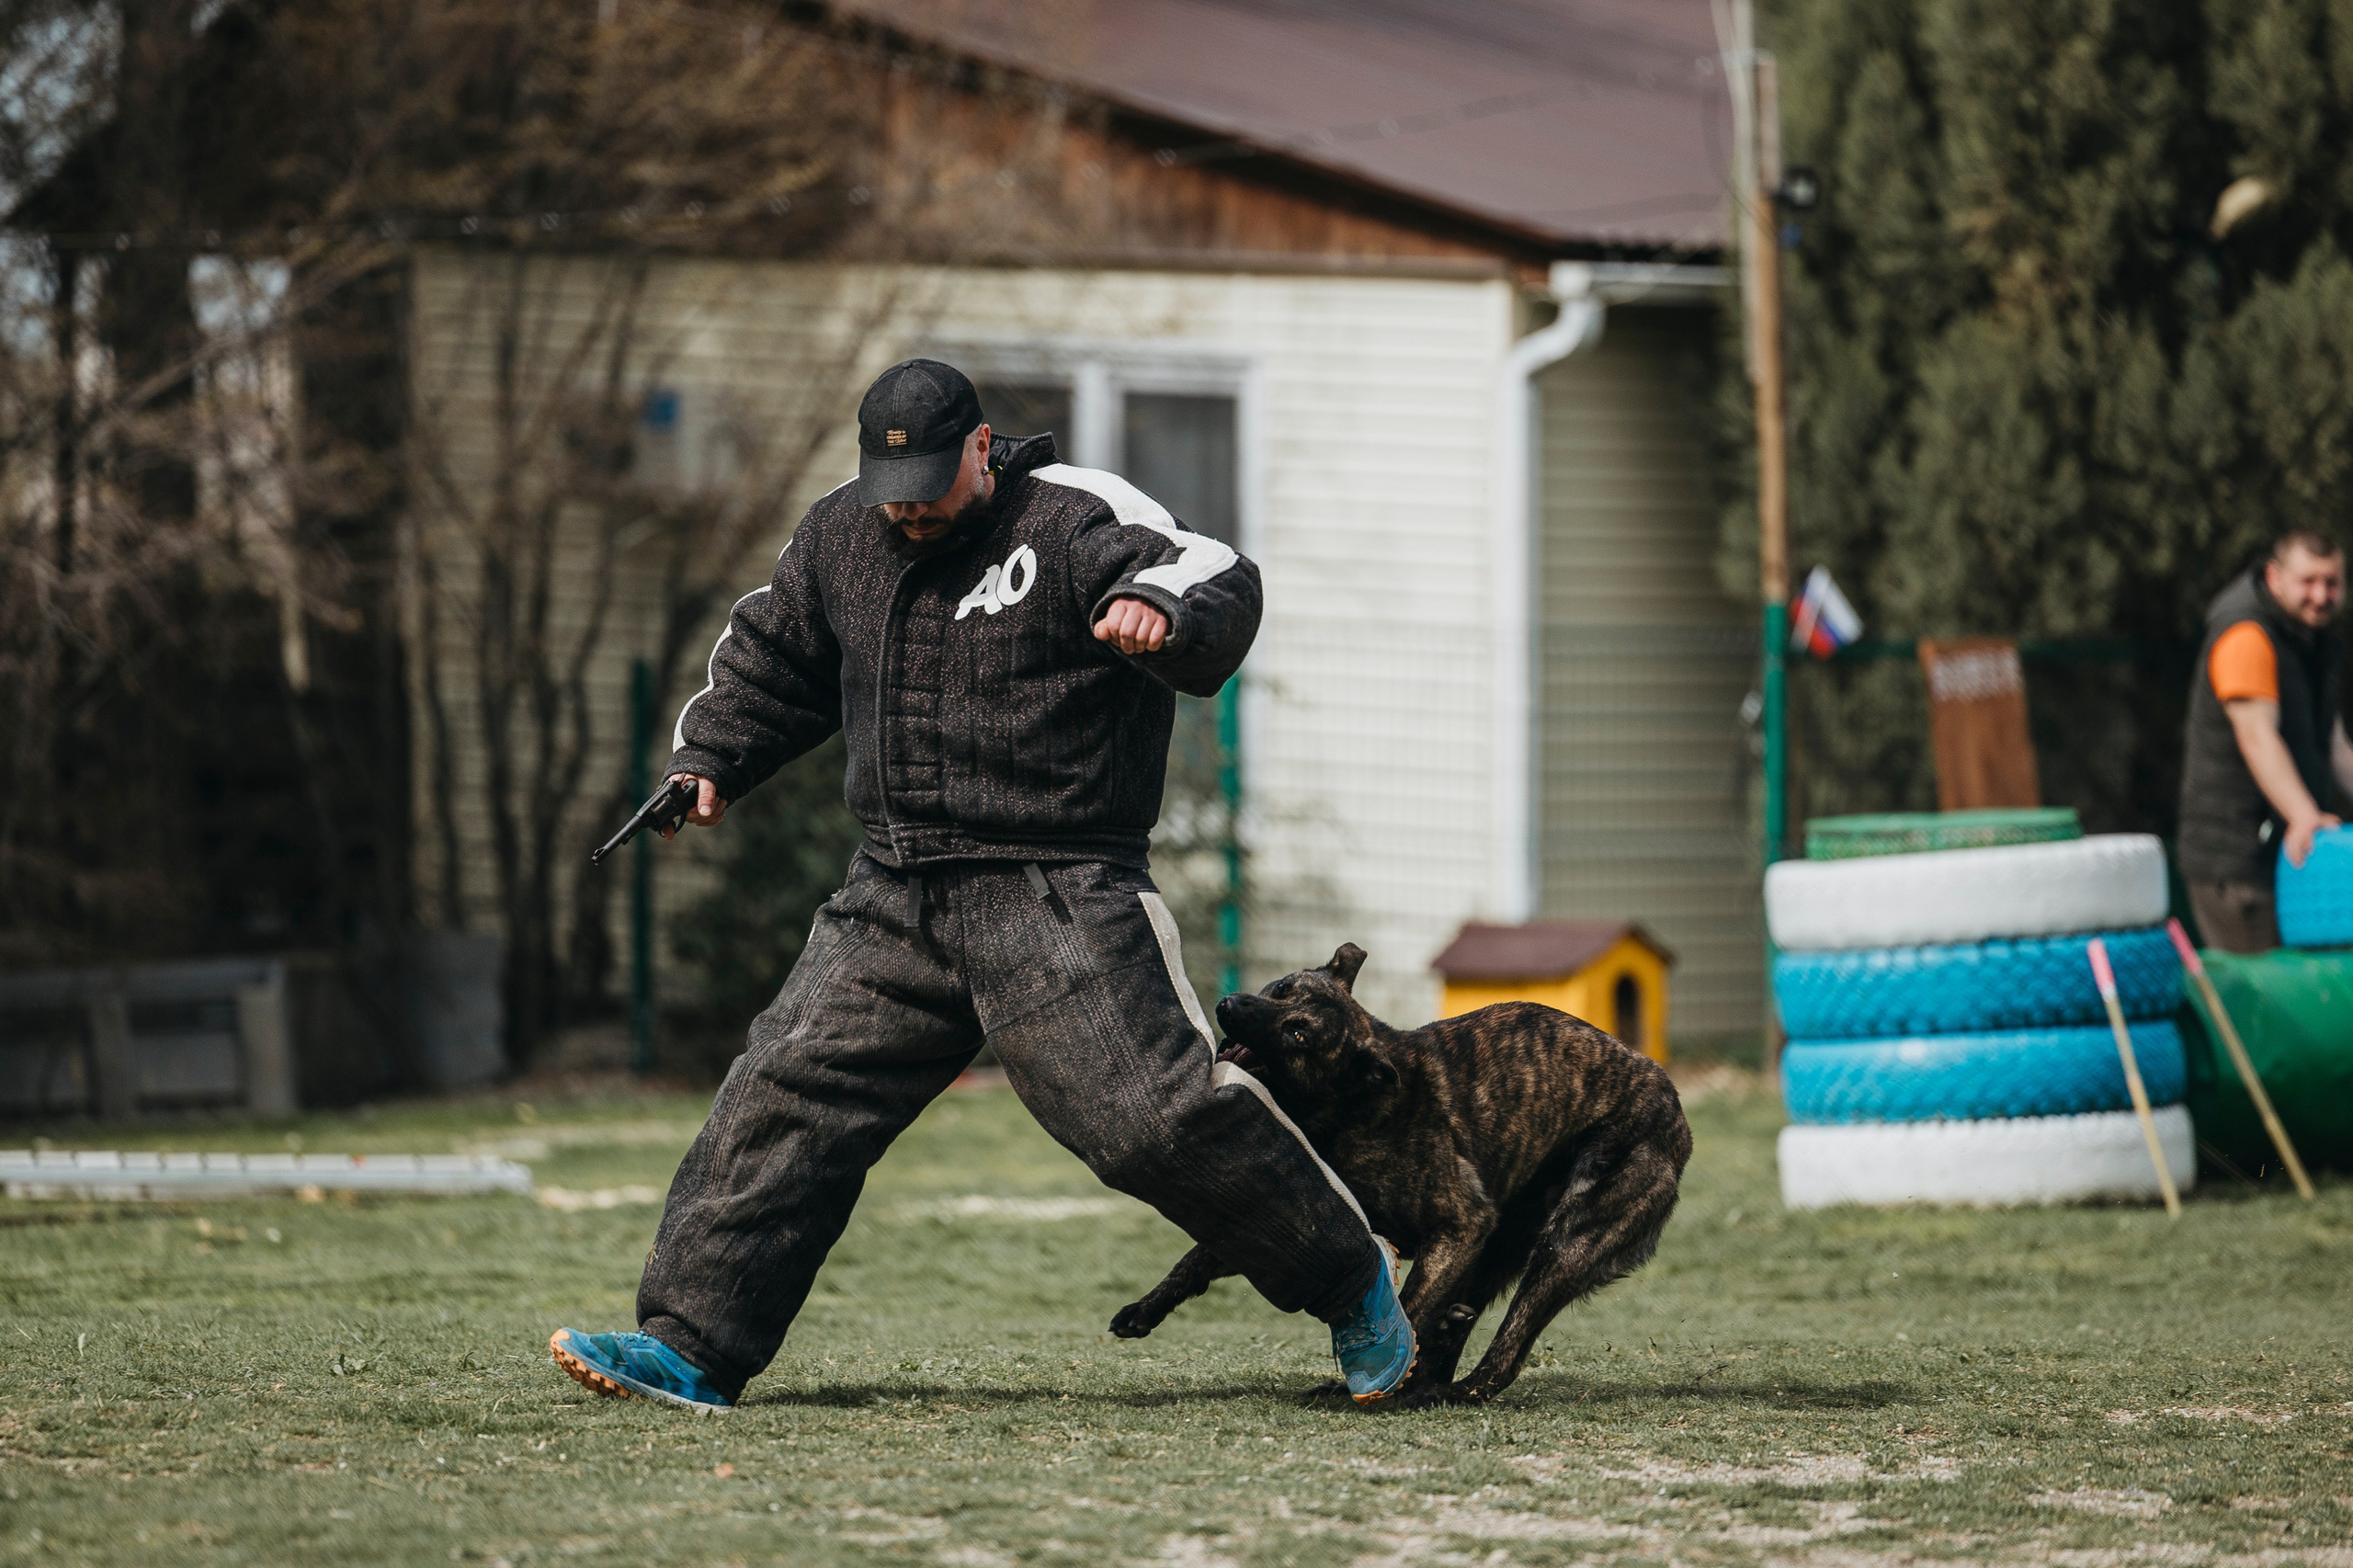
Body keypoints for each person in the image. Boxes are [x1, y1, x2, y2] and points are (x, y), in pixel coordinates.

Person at [547, 359, 1413, 1412]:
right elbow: (775, 655)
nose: (906, 506)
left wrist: (1153, 605)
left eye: (926, 479)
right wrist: (710, 762)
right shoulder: (839, 536)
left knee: (1151, 1120)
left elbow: (1210, 568)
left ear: (980, 445)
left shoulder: (1073, 518)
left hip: (1055, 884)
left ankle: (1353, 1281)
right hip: (895, 889)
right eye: (887, 483)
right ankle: (690, 1349)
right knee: (783, 1091)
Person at [2177, 528, 2353, 952]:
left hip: (2283, 858)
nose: (2321, 595)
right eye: (2307, 581)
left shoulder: (2308, 641)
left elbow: (2335, 746)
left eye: (2332, 582)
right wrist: (2304, 816)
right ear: (2274, 578)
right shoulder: (2246, 636)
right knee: (2265, 999)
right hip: (2235, 863)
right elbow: (2256, 736)